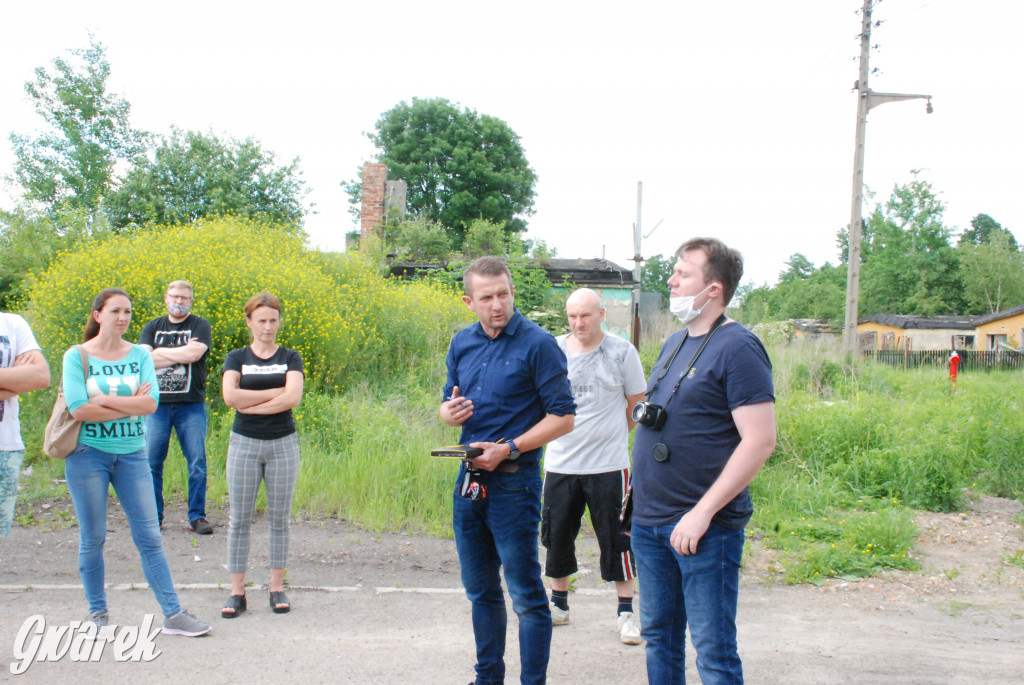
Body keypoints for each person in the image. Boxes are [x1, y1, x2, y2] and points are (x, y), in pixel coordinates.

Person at [630, 238, 776, 684]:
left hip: (703, 528)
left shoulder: (739, 347)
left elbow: (760, 441)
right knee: (660, 637)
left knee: (712, 650)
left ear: (713, 289)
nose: (671, 281)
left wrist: (701, 513)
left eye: (683, 273)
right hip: (651, 523)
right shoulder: (676, 342)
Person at [440, 256, 576, 685]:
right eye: (486, 297)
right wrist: (449, 413)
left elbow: (564, 417)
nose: (497, 304)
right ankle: (487, 678)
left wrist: (510, 448)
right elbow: (448, 405)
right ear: (469, 301)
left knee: (526, 595)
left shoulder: (539, 344)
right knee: (480, 590)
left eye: (503, 294)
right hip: (469, 481)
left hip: (515, 483)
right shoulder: (461, 343)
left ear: (512, 291)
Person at [62, 287, 211, 636]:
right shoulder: (77, 356)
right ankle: (98, 615)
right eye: (115, 311)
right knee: (93, 538)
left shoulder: (141, 356)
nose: (123, 317)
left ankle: (174, 615)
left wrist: (102, 401)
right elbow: (78, 409)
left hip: (131, 454)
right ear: (98, 315)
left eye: (128, 311)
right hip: (87, 456)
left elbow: (151, 405)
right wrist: (129, 400)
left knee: (149, 537)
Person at [541, 288, 646, 645]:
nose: (578, 322)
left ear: (602, 313)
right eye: (572, 316)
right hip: (560, 462)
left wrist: (612, 434)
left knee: (618, 540)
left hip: (610, 465)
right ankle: (559, 605)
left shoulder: (621, 351)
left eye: (585, 315)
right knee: (556, 537)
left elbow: (637, 404)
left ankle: (626, 613)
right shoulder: (551, 349)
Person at [220, 292, 303, 619]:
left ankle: (276, 587)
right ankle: (236, 592)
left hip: (283, 444)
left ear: (279, 321)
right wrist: (275, 392)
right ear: (250, 322)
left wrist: (251, 402)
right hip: (244, 444)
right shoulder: (236, 357)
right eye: (262, 320)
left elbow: (293, 397)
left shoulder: (290, 357)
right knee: (239, 519)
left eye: (273, 320)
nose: (268, 327)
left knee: (279, 519)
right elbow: (230, 396)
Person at [139, 280, 214, 534]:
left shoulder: (200, 325)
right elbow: (142, 359)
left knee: (196, 462)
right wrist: (179, 352)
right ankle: (154, 517)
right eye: (175, 297)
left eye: (184, 298)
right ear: (165, 297)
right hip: (156, 406)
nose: (179, 302)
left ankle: (197, 516)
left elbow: (194, 355)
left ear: (191, 300)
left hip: (190, 405)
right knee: (151, 463)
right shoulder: (153, 327)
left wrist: (160, 353)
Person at [0, 312, 50, 537]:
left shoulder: (12, 323)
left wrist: (27, 378)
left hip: (5, 448)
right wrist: (15, 380)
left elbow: (41, 377)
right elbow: (28, 379)